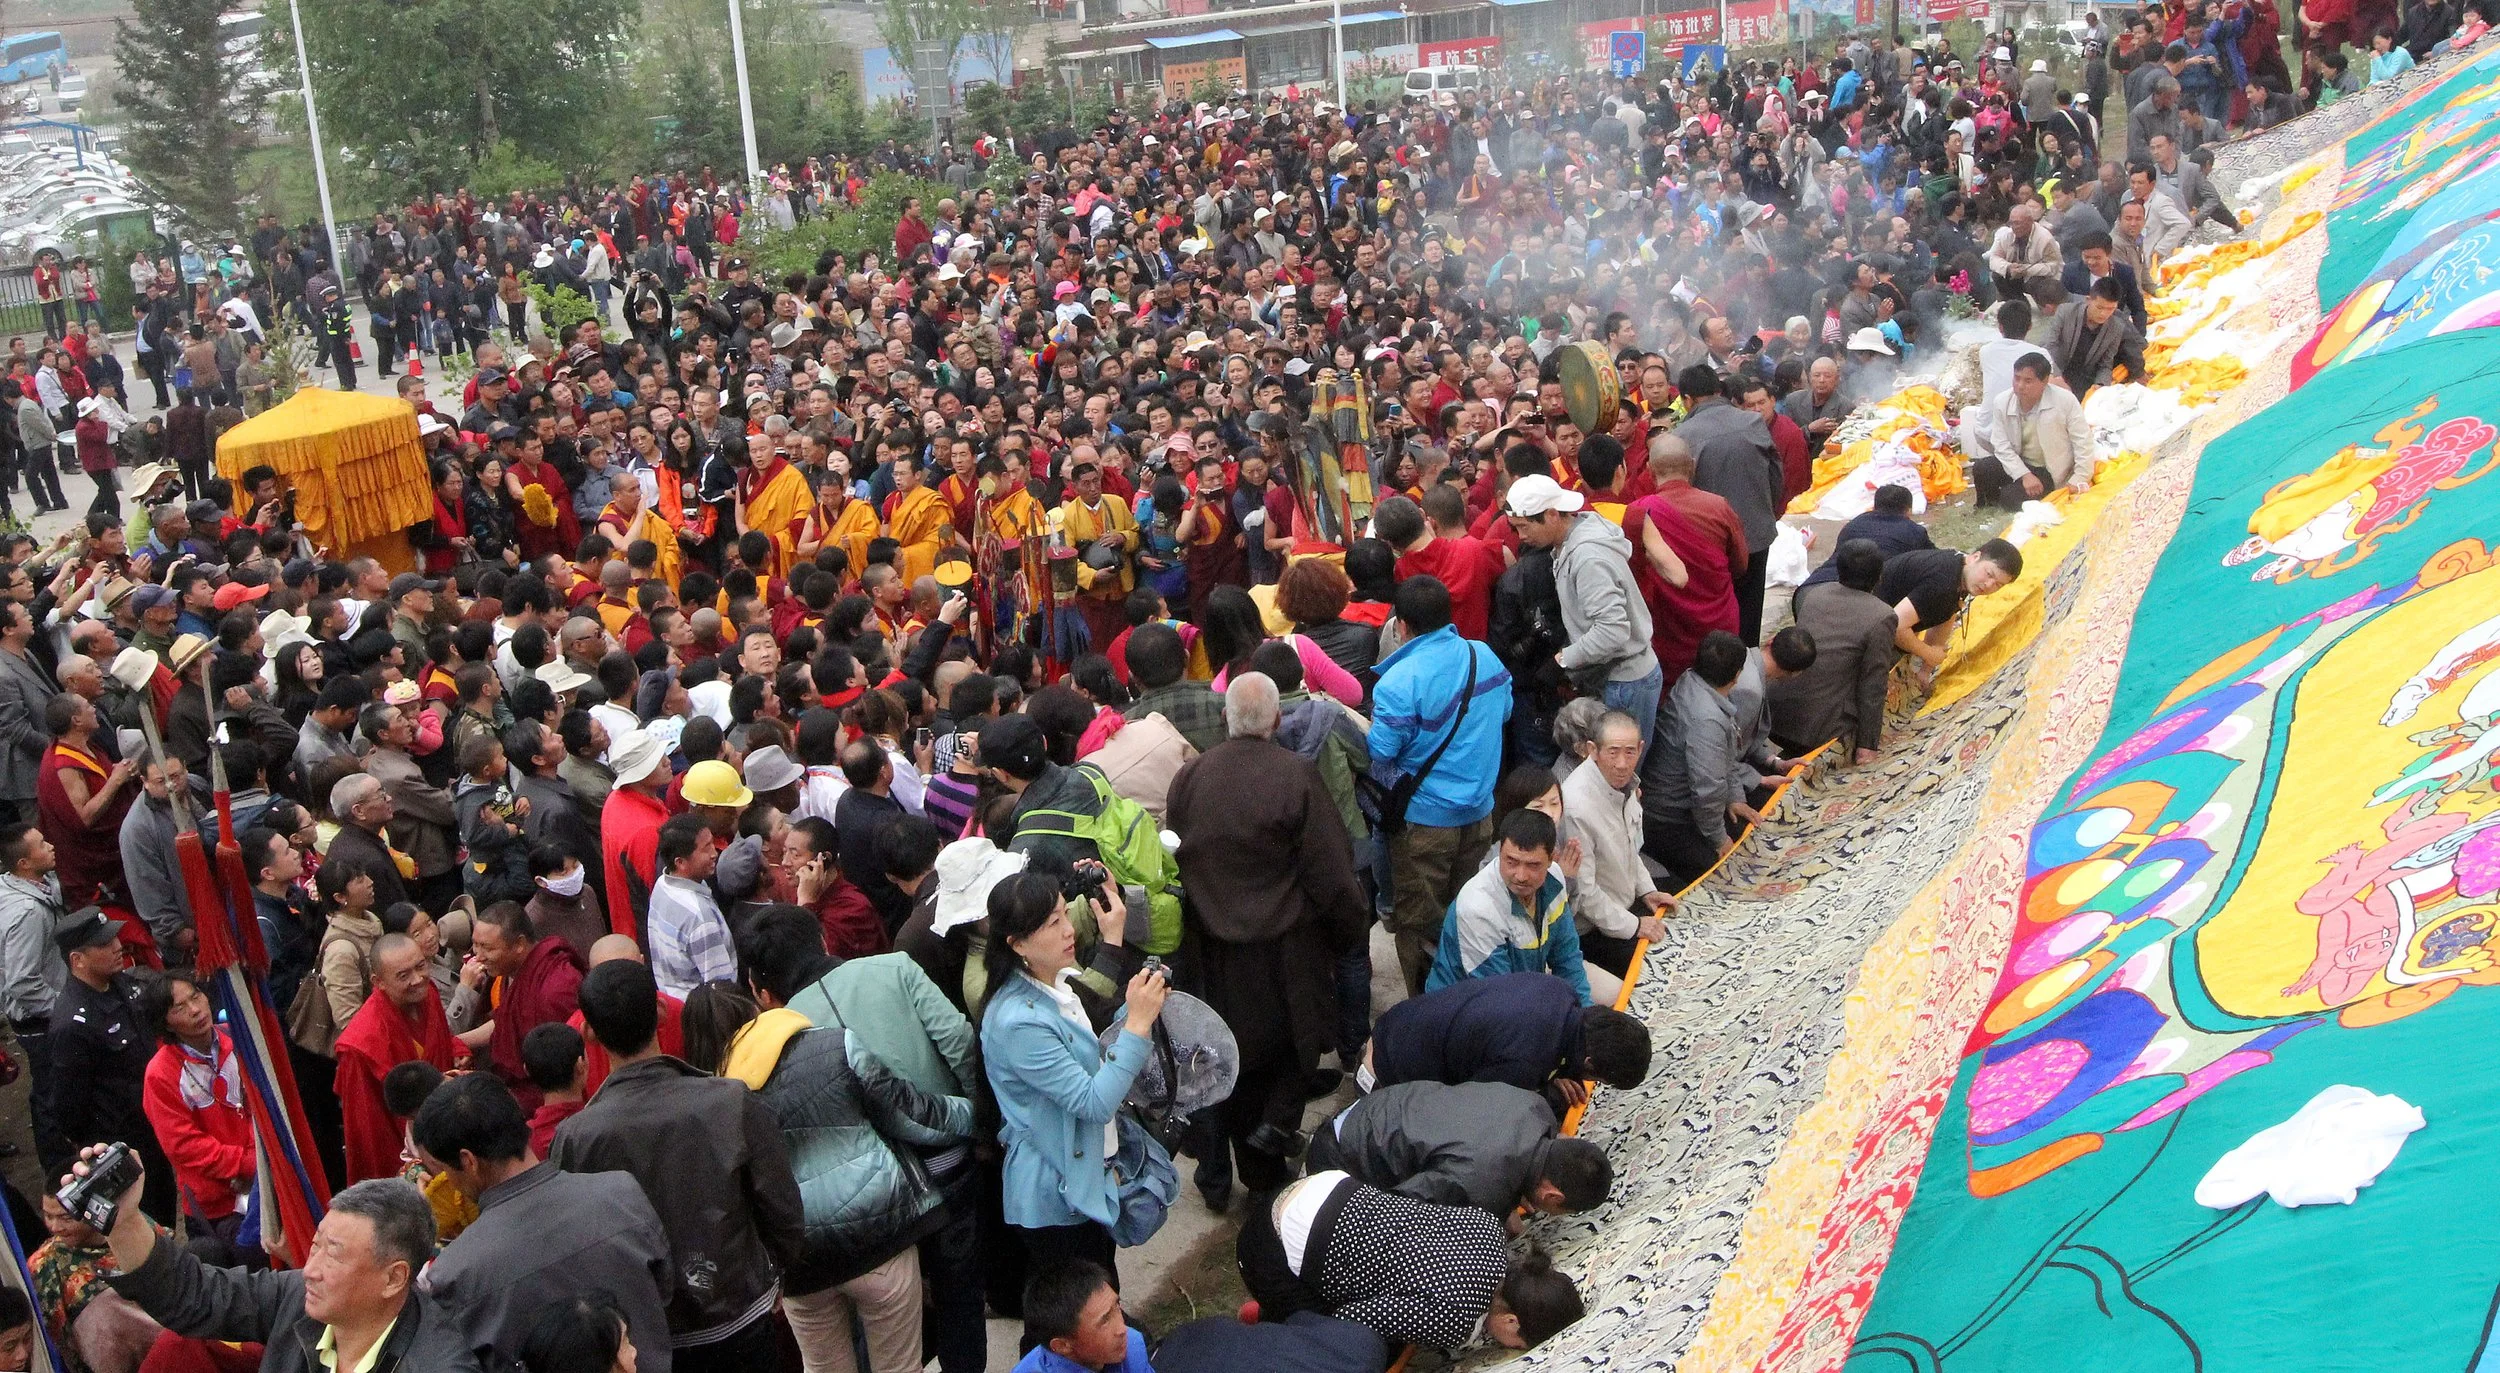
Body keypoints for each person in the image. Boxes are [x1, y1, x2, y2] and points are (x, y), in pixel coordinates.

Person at [687, 976, 973, 1373]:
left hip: (799, 1264)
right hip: (880, 1239)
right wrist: (976, 1114)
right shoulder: (835, 1045)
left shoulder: (707, 1104)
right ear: (756, 1006)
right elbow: (911, 1114)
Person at [1166, 673, 1368, 1199]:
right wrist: (1348, 929)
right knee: (1284, 1054)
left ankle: (1220, 1171)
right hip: (1284, 948)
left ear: (1225, 720)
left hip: (1211, 947)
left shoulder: (1190, 777)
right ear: (1278, 719)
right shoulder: (1295, 776)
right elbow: (1330, 869)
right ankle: (1264, 1168)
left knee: (1225, 1057)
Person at [553, 957, 804, 1370]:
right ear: (662, 1011)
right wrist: (777, 1272)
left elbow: (577, 1247)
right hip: (737, 1314)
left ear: (589, 1034)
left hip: (647, 1339)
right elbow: (782, 1206)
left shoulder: (577, 1137)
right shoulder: (729, 1100)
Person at [68, 1146, 485, 1371]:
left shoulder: (439, 1363)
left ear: (394, 1278)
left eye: (333, 1256)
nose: (312, 1269)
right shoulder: (295, 1296)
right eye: (316, 1245)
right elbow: (192, 1296)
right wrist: (123, 1221)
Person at [979, 872, 1171, 1287]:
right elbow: (1093, 1102)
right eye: (1052, 923)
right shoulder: (1018, 1022)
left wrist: (1138, 1008)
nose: (1069, 930)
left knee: (1101, 1286)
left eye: (1066, 914)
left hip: (1085, 1173)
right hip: (1055, 1194)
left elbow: (1093, 1057)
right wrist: (1136, 1025)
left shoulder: (1054, 986)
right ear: (1017, 944)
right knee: (1077, 1310)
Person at [411, 1073, 676, 1373]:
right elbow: (665, 1292)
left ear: (468, 1161)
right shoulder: (621, 1194)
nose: (447, 1182)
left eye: (444, 1170)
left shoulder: (455, 1274)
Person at [1236, 1171, 1583, 1352]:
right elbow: (1347, 1319)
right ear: (1511, 1321)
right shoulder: (1455, 1319)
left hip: (1324, 1188)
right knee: (1338, 1342)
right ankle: (1259, 1322)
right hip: (1270, 1246)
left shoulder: (1491, 1228)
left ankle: (1265, 1312)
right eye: (1518, 1344)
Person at [1368, 575, 1510, 996]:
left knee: (1419, 923)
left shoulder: (1399, 681)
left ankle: (1428, 1008)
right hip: (1481, 815)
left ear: (1401, 625)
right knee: (1470, 913)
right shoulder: (1483, 656)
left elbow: (1381, 750)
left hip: (1424, 828)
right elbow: (1503, 712)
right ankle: (1471, 996)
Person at [1306, 1079, 1614, 1221]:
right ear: (1552, 1197)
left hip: (1376, 1109)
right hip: (1344, 1156)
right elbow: (1398, 1214)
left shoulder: (1535, 1108)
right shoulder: (1482, 1188)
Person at [1507, 476, 1663, 755]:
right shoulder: (1570, 542)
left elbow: (1612, 631)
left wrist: (1562, 660)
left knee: (1617, 775)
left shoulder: (1588, 558)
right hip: (1614, 675)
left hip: (1624, 681)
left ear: (1552, 515)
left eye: (1525, 526)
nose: (1521, 537)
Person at [1365, 972, 1652, 1111]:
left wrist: (1552, 1075)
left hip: (1397, 1024)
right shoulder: (1526, 1062)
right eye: (1598, 1079)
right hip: (1387, 1073)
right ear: (1589, 1064)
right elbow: (1471, 1113)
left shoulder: (1561, 992)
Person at [53, 909, 178, 1225]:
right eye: (104, 944)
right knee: (146, 1222)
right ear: (78, 960)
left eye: (114, 937)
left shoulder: (123, 984)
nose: (117, 946)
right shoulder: (73, 1024)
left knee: (166, 1213)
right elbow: (70, 1110)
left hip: (154, 1127)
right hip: (122, 1143)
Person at [138, 971, 258, 1265]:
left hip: (263, 1185)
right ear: (164, 1021)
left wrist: (261, 1164)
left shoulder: (237, 1037)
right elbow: (184, 1147)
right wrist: (247, 1163)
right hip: (217, 1207)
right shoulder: (161, 1074)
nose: (195, 1010)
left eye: (196, 996)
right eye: (179, 1008)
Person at [1425, 808, 1593, 1003]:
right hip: (1465, 1008)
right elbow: (1504, 999)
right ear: (1500, 852)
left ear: (1551, 859)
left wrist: (1584, 1014)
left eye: (1533, 865)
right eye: (1511, 862)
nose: (1521, 876)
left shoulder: (1555, 879)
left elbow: (1568, 959)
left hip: (1525, 992)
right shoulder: (1478, 908)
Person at [333, 932, 458, 1185]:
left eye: (421, 966)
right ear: (378, 982)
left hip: (448, 1132)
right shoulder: (360, 1045)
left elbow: (441, 1052)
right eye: (403, 976)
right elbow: (370, 1135)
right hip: (407, 1153)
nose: (417, 979)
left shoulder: (428, 995)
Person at [1559, 710, 1673, 986]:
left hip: (1626, 901)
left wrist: (1647, 889)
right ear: (1592, 750)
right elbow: (1583, 893)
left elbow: (1631, 847)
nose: (1622, 764)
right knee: (1661, 973)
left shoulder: (1628, 785)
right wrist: (1634, 926)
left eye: (1630, 753)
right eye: (1613, 753)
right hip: (1593, 927)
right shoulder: (1576, 805)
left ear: (1641, 749)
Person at [1773, 540, 1903, 765]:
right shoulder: (1882, 616)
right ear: (1879, 576)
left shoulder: (1815, 594)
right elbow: (1873, 684)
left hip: (1775, 717)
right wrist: (1867, 745)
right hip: (1819, 729)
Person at [466, 901, 585, 1111]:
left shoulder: (556, 988)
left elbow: (568, 1065)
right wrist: (458, 1042)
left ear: (519, 944)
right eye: (476, 945)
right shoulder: (507, 973)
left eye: (487, 947)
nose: (478, 955)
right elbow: (505, 1019)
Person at [1969, 353, 2097, 510]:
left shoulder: (2065, 401)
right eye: (2017, 378)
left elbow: (2083, 441)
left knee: (2010, 498)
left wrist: (2080, 478)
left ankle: (2013, 497)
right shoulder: (2002, 402)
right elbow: (2001, 445)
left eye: (2028, 381)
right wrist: (2024, 475)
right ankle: (1986, 507)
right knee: (1982, 468)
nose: (2020, 385)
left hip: (2050, 469)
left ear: (2044, 382)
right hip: (2021, 462)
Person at [1880, 540, 2026, 674]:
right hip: (1867, 623)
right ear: (1974, 557)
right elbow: (1896, 626)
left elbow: (1946, 615)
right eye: (1989, 574)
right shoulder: (1942, 582)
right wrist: (1927, 653)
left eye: (1998, 584)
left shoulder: (1962, 571)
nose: (1988, 585)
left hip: (1884, 617)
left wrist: (1925, 670)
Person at [646, 813, 734, 998]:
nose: (714, 854)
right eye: (705, 849)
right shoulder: (699, 917)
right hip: (703, 1014)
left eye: (712, 843)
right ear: (680, 862)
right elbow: (721, 988)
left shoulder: (663, 883)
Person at [1012, 1260, 1151, 1373]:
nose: (1122, 1329)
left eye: (1117, 1307)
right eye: (1104, 1321)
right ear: (1062, 1345)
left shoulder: (1132, 1346)